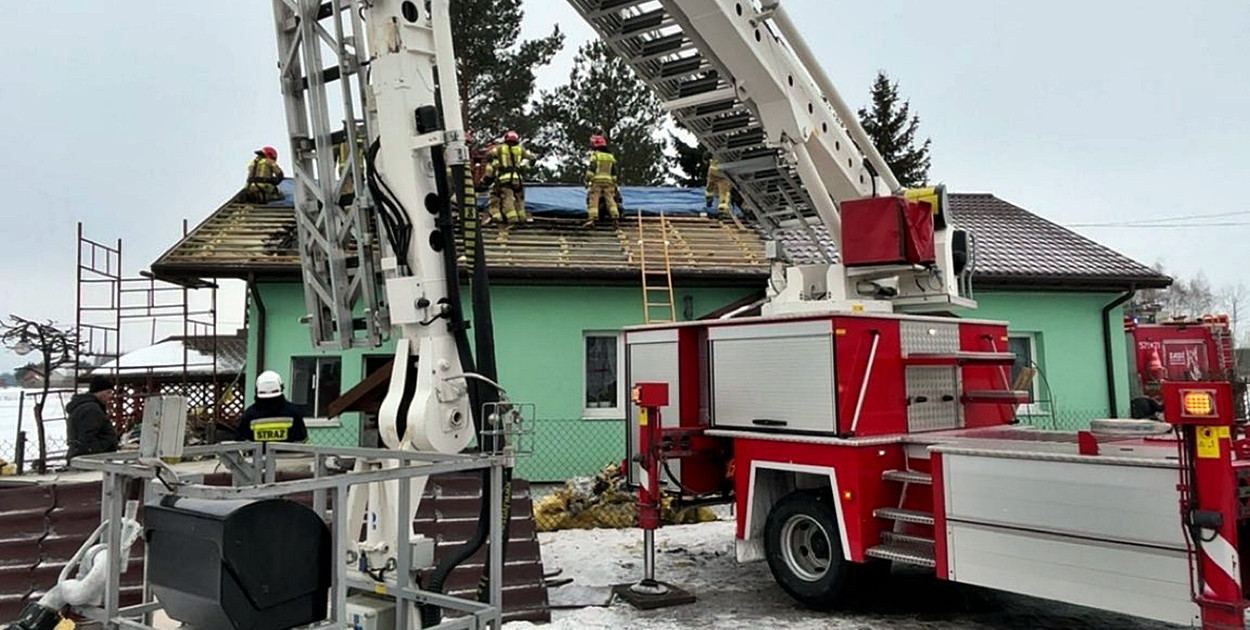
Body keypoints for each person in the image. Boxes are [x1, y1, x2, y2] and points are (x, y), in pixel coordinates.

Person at [232, 370, 308, 443]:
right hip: (287, 453)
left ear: (257, 389)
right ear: (281, 387)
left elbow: (241, 442)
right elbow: (302, 440)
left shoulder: (249, 415)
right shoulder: (293, 412)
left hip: (257, 453)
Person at [482, 131, 536, 225]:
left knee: (507, 199)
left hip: (505, 179)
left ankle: (512, 219)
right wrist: (525, 167)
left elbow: (489, 156)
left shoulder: (499, 148)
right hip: (518, 180)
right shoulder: (521, 149)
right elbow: (533, 158)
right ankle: (522, 218)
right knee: (519, 200)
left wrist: (494, 164)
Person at [66, 376, 119, 459]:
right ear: (99, 392)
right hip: (91, 458)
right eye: (108, 392)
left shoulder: (84, 406)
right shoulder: (91, 410)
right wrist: (106, 445)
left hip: (81, 455)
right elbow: (88, 439)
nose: (110, 396)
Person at [583, 134, 619, 228]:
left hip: (597, 182)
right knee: (610, 199)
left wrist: (587, 180)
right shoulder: (610, 157)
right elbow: (614, 172)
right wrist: (614, 182)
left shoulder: (596, 156)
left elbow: (591, 170)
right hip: (609, 182)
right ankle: (615, 217)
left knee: (594, 198)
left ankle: (592, 219)